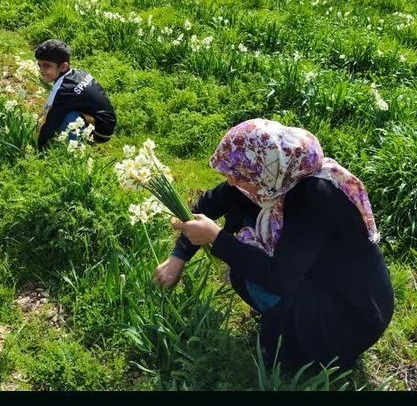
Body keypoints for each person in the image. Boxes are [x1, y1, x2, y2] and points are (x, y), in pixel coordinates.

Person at [153, 119, 394, 372]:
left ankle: (300, 344)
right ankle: (286, 318)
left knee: (245, 273)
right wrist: (177, 257)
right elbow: (210, 204)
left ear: (264, 169)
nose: (233, 182)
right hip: (322, 278)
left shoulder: (315, 197)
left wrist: (217, 239)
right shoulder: (276, 174)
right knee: (244, 226)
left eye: (239, 176)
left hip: (351, 316)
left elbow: (278, 278)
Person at [34, 39, 116, 150]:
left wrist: (38, 145)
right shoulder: (77, 74)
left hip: (100, 133)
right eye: (39, 65)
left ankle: (76, 149)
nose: (41, 70)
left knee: (63, 117)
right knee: (62, 109)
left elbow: (49, 120)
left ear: (63, 66)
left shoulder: (64, 89)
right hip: (106, 123)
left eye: (47, 66)